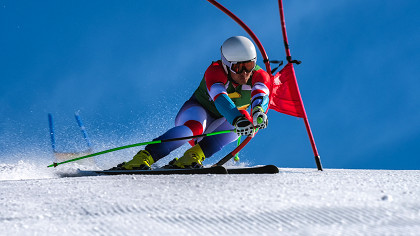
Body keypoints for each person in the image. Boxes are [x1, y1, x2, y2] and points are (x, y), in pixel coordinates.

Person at [115, 36, 270, 170]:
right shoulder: (215, 71)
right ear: (226, 64)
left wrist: (258, 112)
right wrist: (237, 120)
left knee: (248, 122)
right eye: (238, 67)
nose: (244, 73)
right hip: (196, 112)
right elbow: (220, 98)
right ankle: (144, 157)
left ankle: (193, 156)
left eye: (248, 66)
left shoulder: (259, 75)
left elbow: (261, 94)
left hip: (220, 122)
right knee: (196, 127)